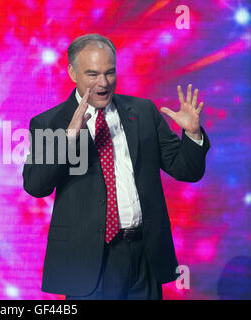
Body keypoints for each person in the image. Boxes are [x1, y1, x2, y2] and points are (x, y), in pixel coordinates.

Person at [22, 34, 210, 300]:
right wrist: (68, 139)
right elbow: (35, 185)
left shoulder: (143, 111)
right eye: (93, 74)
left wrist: (192, 134)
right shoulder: (50, 123)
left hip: (144, 256)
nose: (103, 82)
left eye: (110, 73)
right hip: (88, 263)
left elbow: (186, 170)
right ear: (72, 73)